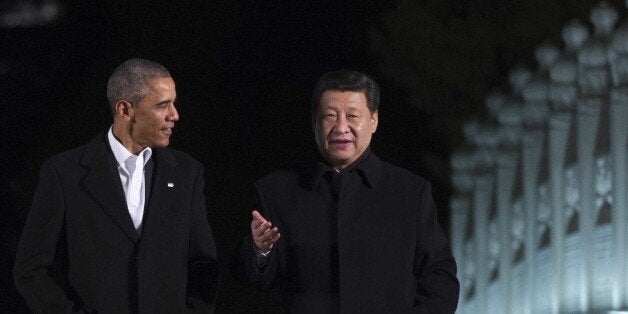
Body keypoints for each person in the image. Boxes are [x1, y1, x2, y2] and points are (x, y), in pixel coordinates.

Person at [233, 70, 459, 313]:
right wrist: (260, 251)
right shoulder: (276, 191)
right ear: (314, 122)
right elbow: (253, 283)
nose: (341, 127)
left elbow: (440, 279)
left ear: (374, 121)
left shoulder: (410, 192)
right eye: (329, 116)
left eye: (352, 115)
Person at [14, 59, 220, 313]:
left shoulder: (188, 172)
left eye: (174, 103)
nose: (175, 115)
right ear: (124, 110)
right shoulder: (62, 173)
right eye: (162, 105)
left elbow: (204, 264)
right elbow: (31, 269)